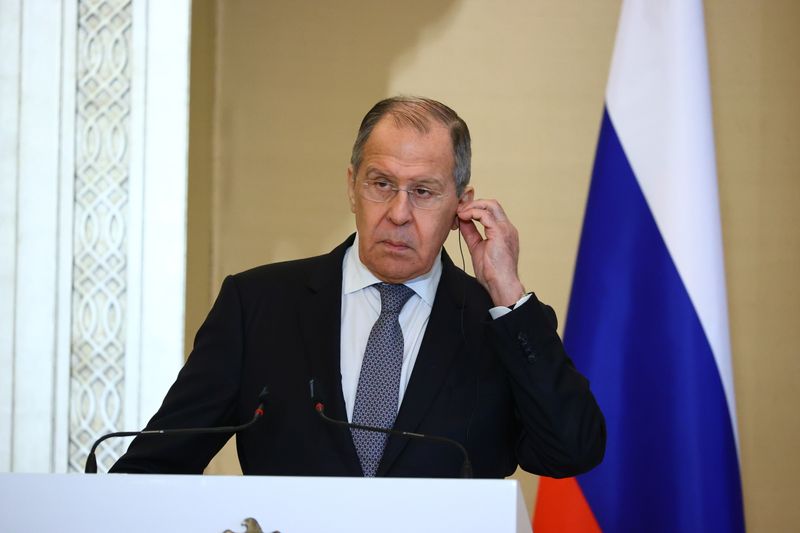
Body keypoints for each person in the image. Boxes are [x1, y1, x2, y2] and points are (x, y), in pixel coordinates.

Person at [110, 96, 605, 478]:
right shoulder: (258, 305)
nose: (398, 213)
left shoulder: (498, 323)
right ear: (352, 186)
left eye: (424, 192)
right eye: (381, 184)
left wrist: (508, 292)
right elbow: (154, 467)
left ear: (462, 205)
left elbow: (571, 452)